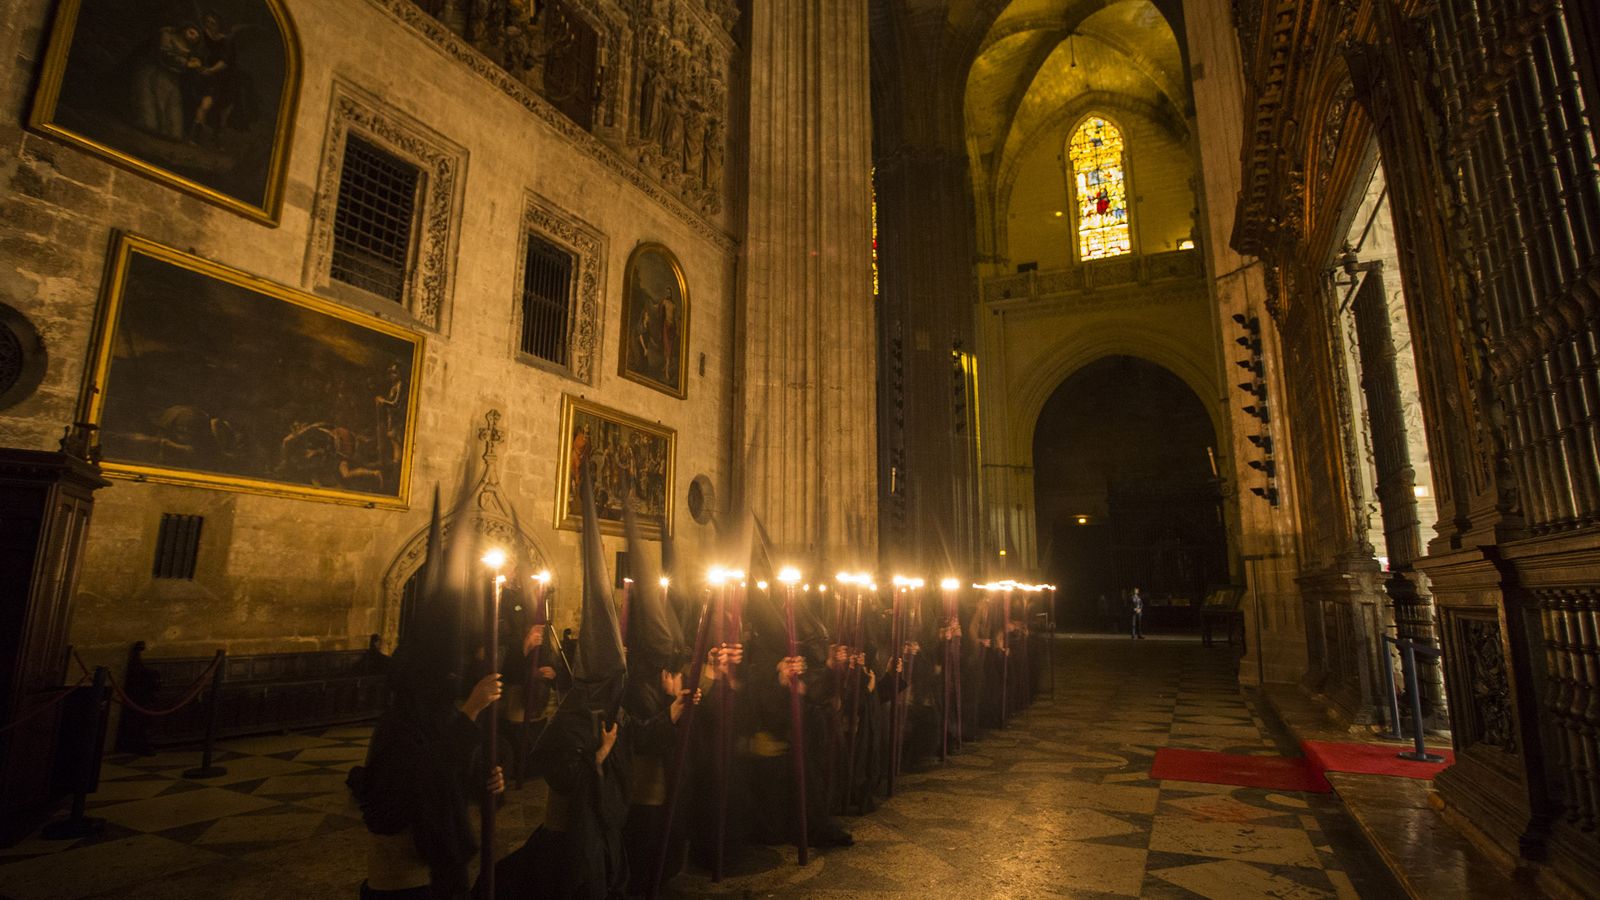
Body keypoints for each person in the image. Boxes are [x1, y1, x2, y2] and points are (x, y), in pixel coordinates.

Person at [354, 663, 505, 900]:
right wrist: (470, 712)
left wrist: (488, 782)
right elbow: (422, 777)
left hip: (442, 865)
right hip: (404, 876)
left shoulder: (445, 716)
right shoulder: (398, 725)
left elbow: (456, 778)